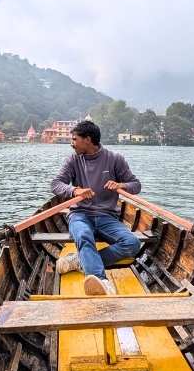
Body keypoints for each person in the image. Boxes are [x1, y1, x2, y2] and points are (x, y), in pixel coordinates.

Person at [50, 120, 141, 295]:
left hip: (107, 216)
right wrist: (75, 190)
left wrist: (121, 185)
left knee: (132, 243)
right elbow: (56, 184)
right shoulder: (73, 160)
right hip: (80, 214)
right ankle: (101, 281)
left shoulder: (115, 159)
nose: (71, 143)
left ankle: (80, 261)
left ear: (88, 139)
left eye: (74, 139)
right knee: (84, 235)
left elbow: (136, 185)